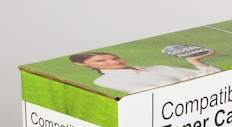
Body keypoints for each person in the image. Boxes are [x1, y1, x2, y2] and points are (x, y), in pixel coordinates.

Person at [69, 50, 220, 93]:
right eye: (100, 61)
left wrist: (195, 62)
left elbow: (217, 76)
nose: (114, 62)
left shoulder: (157, 67)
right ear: (81, 64)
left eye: (115, 57)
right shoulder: (104, 81)